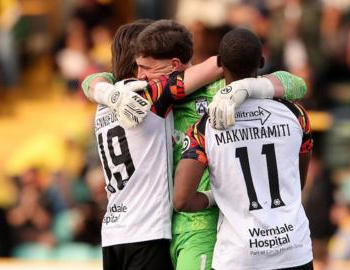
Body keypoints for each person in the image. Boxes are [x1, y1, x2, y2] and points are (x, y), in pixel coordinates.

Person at [82, 19, 308, 270]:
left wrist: (246, 86)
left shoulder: (218, 90)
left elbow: (295, 84)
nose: (141, 75)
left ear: (173, 65)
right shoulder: (149, 96)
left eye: (146, 66)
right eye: (138, 67)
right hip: (163, 228)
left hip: (199, 227)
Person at [173, 28, 314, 270]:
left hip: (239, 257)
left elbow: (182, 200)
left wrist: (214, 197)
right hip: (294, 251)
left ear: (219, 64)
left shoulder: (205, 128)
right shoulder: (296, 114)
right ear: (261, 62)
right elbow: (298, 182)